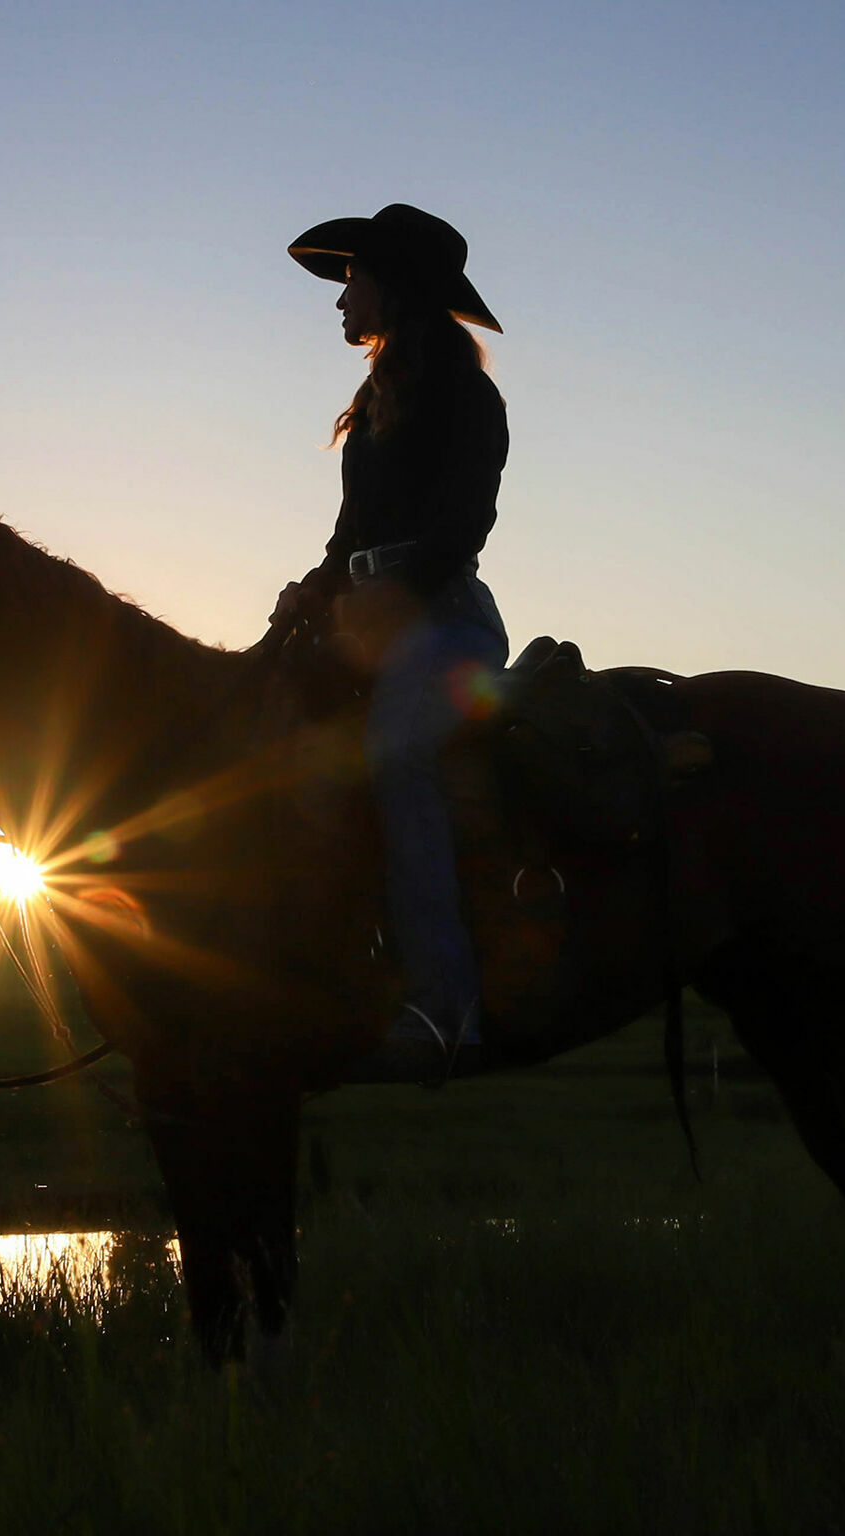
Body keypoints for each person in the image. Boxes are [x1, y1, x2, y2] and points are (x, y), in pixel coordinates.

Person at [270, 203, 510, 1072]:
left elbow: (459, 533)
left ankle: (449, 1006)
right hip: (369, 626)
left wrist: (378, 604)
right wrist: (313, 595)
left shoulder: (467, 396)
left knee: (394, 756)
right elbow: (348, 540)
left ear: (392, 288)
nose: (340, 299)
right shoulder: (374, 405)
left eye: (351, 279)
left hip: (445, 629)